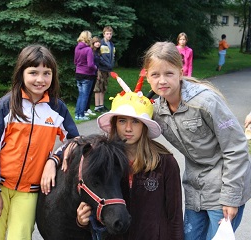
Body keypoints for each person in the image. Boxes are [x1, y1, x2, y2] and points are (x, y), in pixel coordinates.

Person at [143, 41, 251, 239]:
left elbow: (236, 147)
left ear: (180, 71)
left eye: (169, 73)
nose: (162, 80)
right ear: (147, 76)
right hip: (195, 190)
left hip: (224, 188)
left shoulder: (204, 102)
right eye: (155, 75)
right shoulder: (156, 110)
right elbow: (129, 130)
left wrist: (231, 198)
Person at [0, 44, 79, 240]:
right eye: (33, 72)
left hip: (30, 191)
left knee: (21, 237)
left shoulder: (57, 109)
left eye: (46, 73)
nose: (40, 79)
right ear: (21, 73)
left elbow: (75, 141)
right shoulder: (5, 106)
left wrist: (54, 160)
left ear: (53, 76)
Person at [77, 89, 184, 239]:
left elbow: (175, 216)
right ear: (114, 123)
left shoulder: (165, 162)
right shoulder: (104, 162)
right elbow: (98, 209)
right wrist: (83, 221)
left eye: (135, 121)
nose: (128, 128)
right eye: (122, 121)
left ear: (144, 126)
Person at [74, 30, 97, 121]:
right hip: (87, 74)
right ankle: (82, 114)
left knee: (81, 95)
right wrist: (96, 68)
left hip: (78, 73)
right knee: (85, 95)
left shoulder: (77, 48)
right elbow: (90, 64)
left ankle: (77, 114)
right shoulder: (88, 50)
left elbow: (75, 61)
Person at [94, 26, 115, 113]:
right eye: (107, 34)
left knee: (104, 87)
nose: (109, 35)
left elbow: (113, 57)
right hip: (101, 68)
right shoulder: (101, 44)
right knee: (98, 87)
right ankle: (97, 106)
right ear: (104, 34)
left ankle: (102, 105)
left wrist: (111, 65)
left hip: (108, 69)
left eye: (110, 34)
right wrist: (107, 64)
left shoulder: (111, 44)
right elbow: (99, 57)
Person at [84, 36, 101, 117]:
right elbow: (90, 63)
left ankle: (87, 108)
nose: (98, 43)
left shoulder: (98, 52)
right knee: (87, 92)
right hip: (90, 73)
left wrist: (97, 73)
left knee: (90, 92)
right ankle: (84, 109)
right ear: (93, 43)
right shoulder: (91, 51)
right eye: (96, 42)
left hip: (95, 73)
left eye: (99, 42)